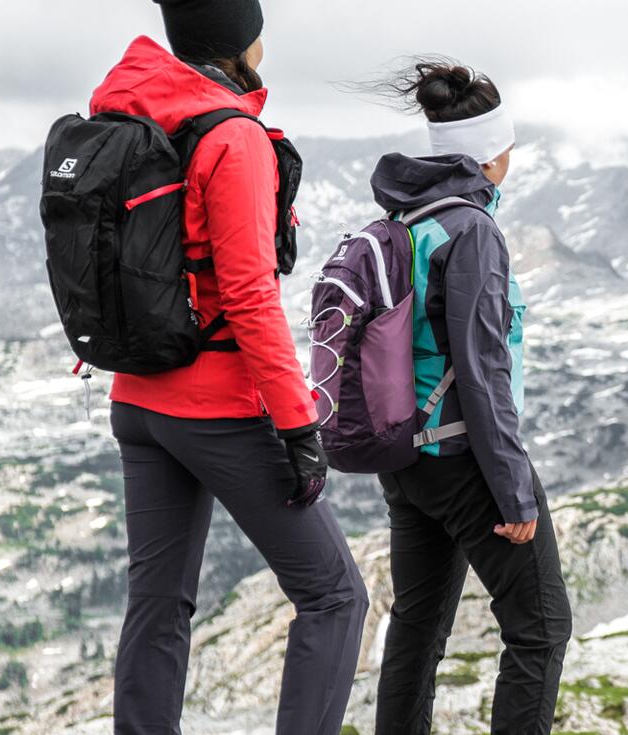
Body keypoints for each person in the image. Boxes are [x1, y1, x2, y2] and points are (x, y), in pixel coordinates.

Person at [92, 1, 366, 733]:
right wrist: (296, 420)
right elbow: (248, 294)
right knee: (335, 595)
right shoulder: (231, 136)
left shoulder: (133, 116)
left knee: (157, 600)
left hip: (138, 399)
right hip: (215, 408)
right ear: (243, 41)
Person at [362, 59, 571, 735]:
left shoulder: (405, 217)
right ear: (491, 153)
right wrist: (512, 488)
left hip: (405, 455)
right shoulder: (472, 230)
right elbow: (482, 367)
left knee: (417, 627)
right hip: (464, 457)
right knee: (541, 628)